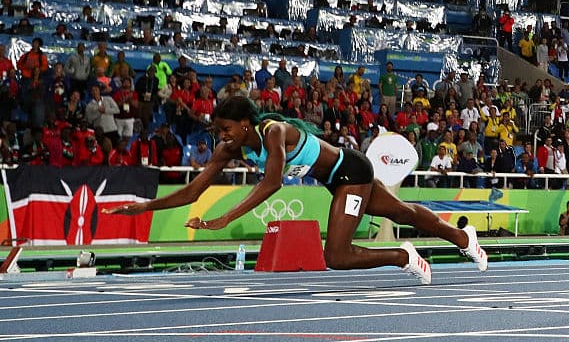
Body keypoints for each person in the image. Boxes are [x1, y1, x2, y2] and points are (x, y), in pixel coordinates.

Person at [106, 96, 487, 284]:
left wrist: (225, 217)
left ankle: (402, 257)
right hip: (337, 179)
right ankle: (462, 237)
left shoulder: (272, 132)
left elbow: (272, 182)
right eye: (218, 131)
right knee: (402, 212)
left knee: (336, 255)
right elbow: (192, 192)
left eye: (226, 129)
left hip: (351, 170)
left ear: (244, 123)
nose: (221, 137)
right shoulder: (228, 149)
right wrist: (144, 207)